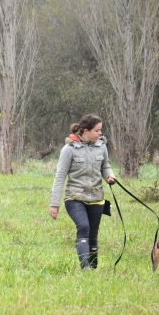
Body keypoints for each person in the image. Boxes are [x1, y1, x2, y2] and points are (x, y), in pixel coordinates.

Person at [49, 114, 116, 269]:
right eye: (97, 130)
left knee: (93, 233)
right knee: (84, 227)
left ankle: (93, 268)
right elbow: (59, 177)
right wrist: (54, 204)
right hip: (75, 198)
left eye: (101, 130)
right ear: (86, 131)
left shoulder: (102, 146)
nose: (101, 133)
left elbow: (105, 166)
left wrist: (109, 176)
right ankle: (85, 267)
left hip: (97, 198)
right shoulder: (69, 149)